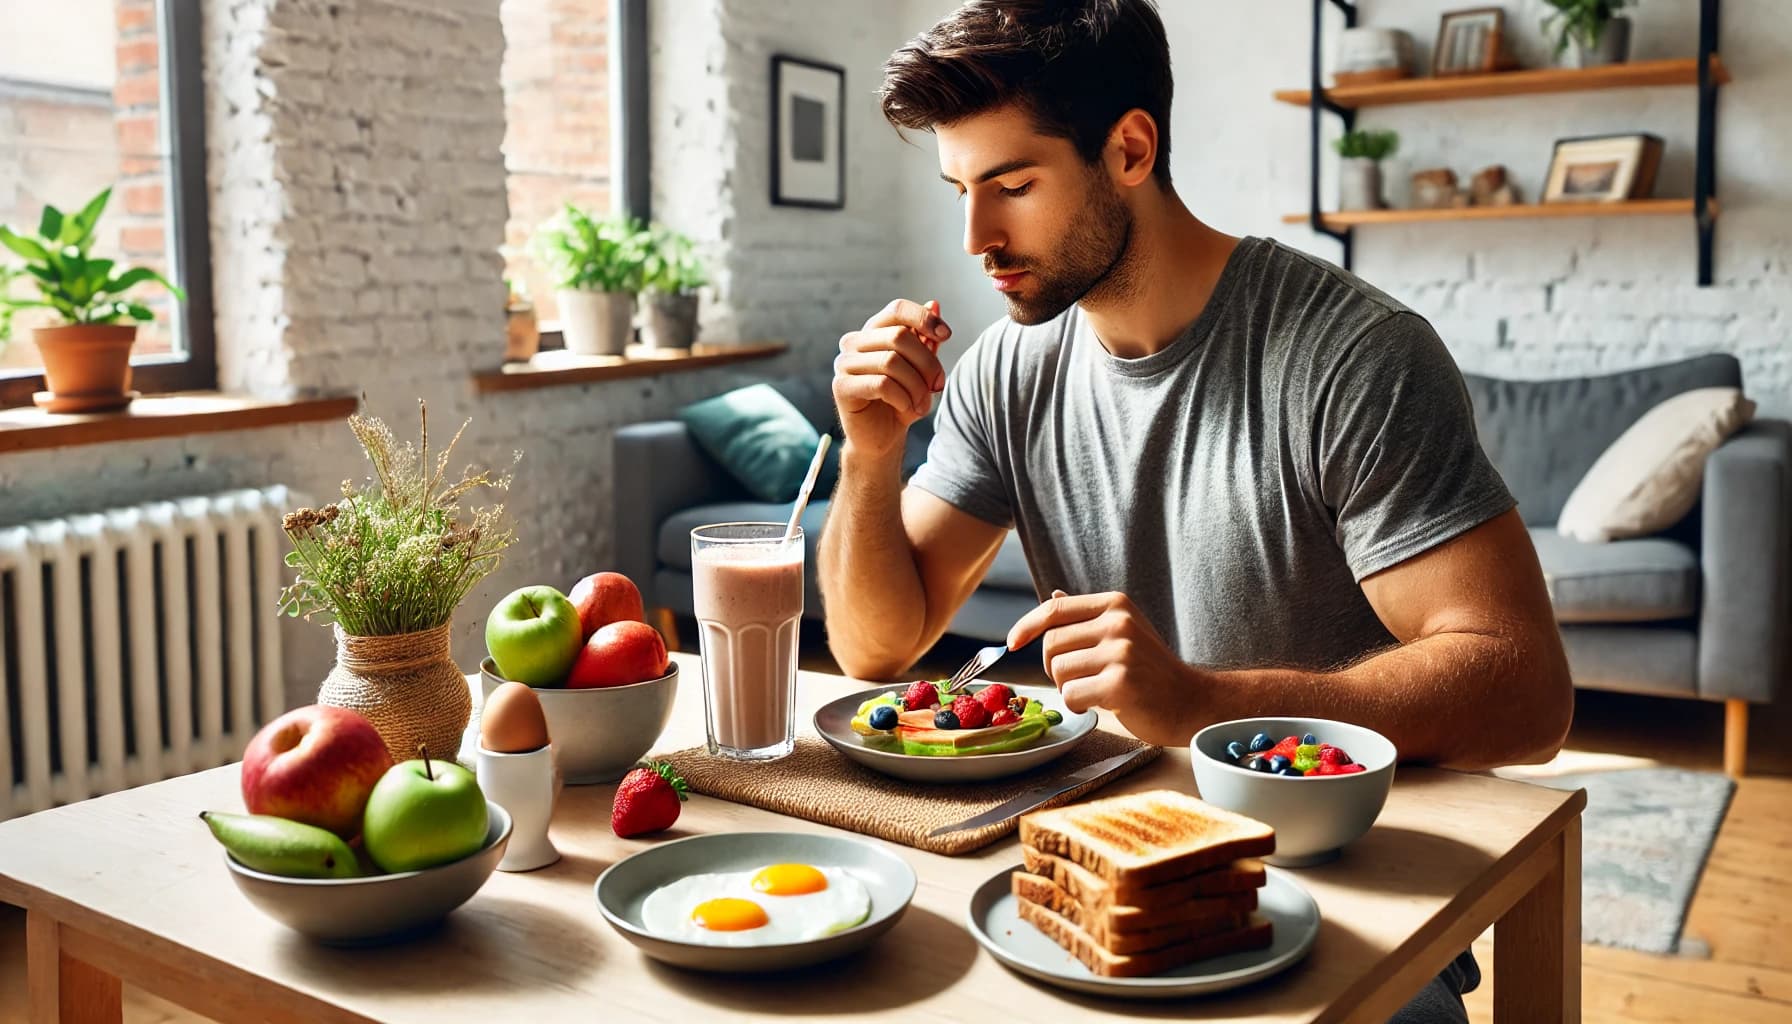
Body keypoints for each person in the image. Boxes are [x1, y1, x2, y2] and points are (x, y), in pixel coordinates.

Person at [816, 3, 1573, 1020]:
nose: (977, 239)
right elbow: (876, 643)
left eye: (1013, 186)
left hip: (1340, 908)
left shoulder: (1349, 355)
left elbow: (1525, 691)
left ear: (1129, 148)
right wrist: (870, 453)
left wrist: (1199, 703)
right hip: (1097, 886)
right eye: (959, 190)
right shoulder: (1006, 367)